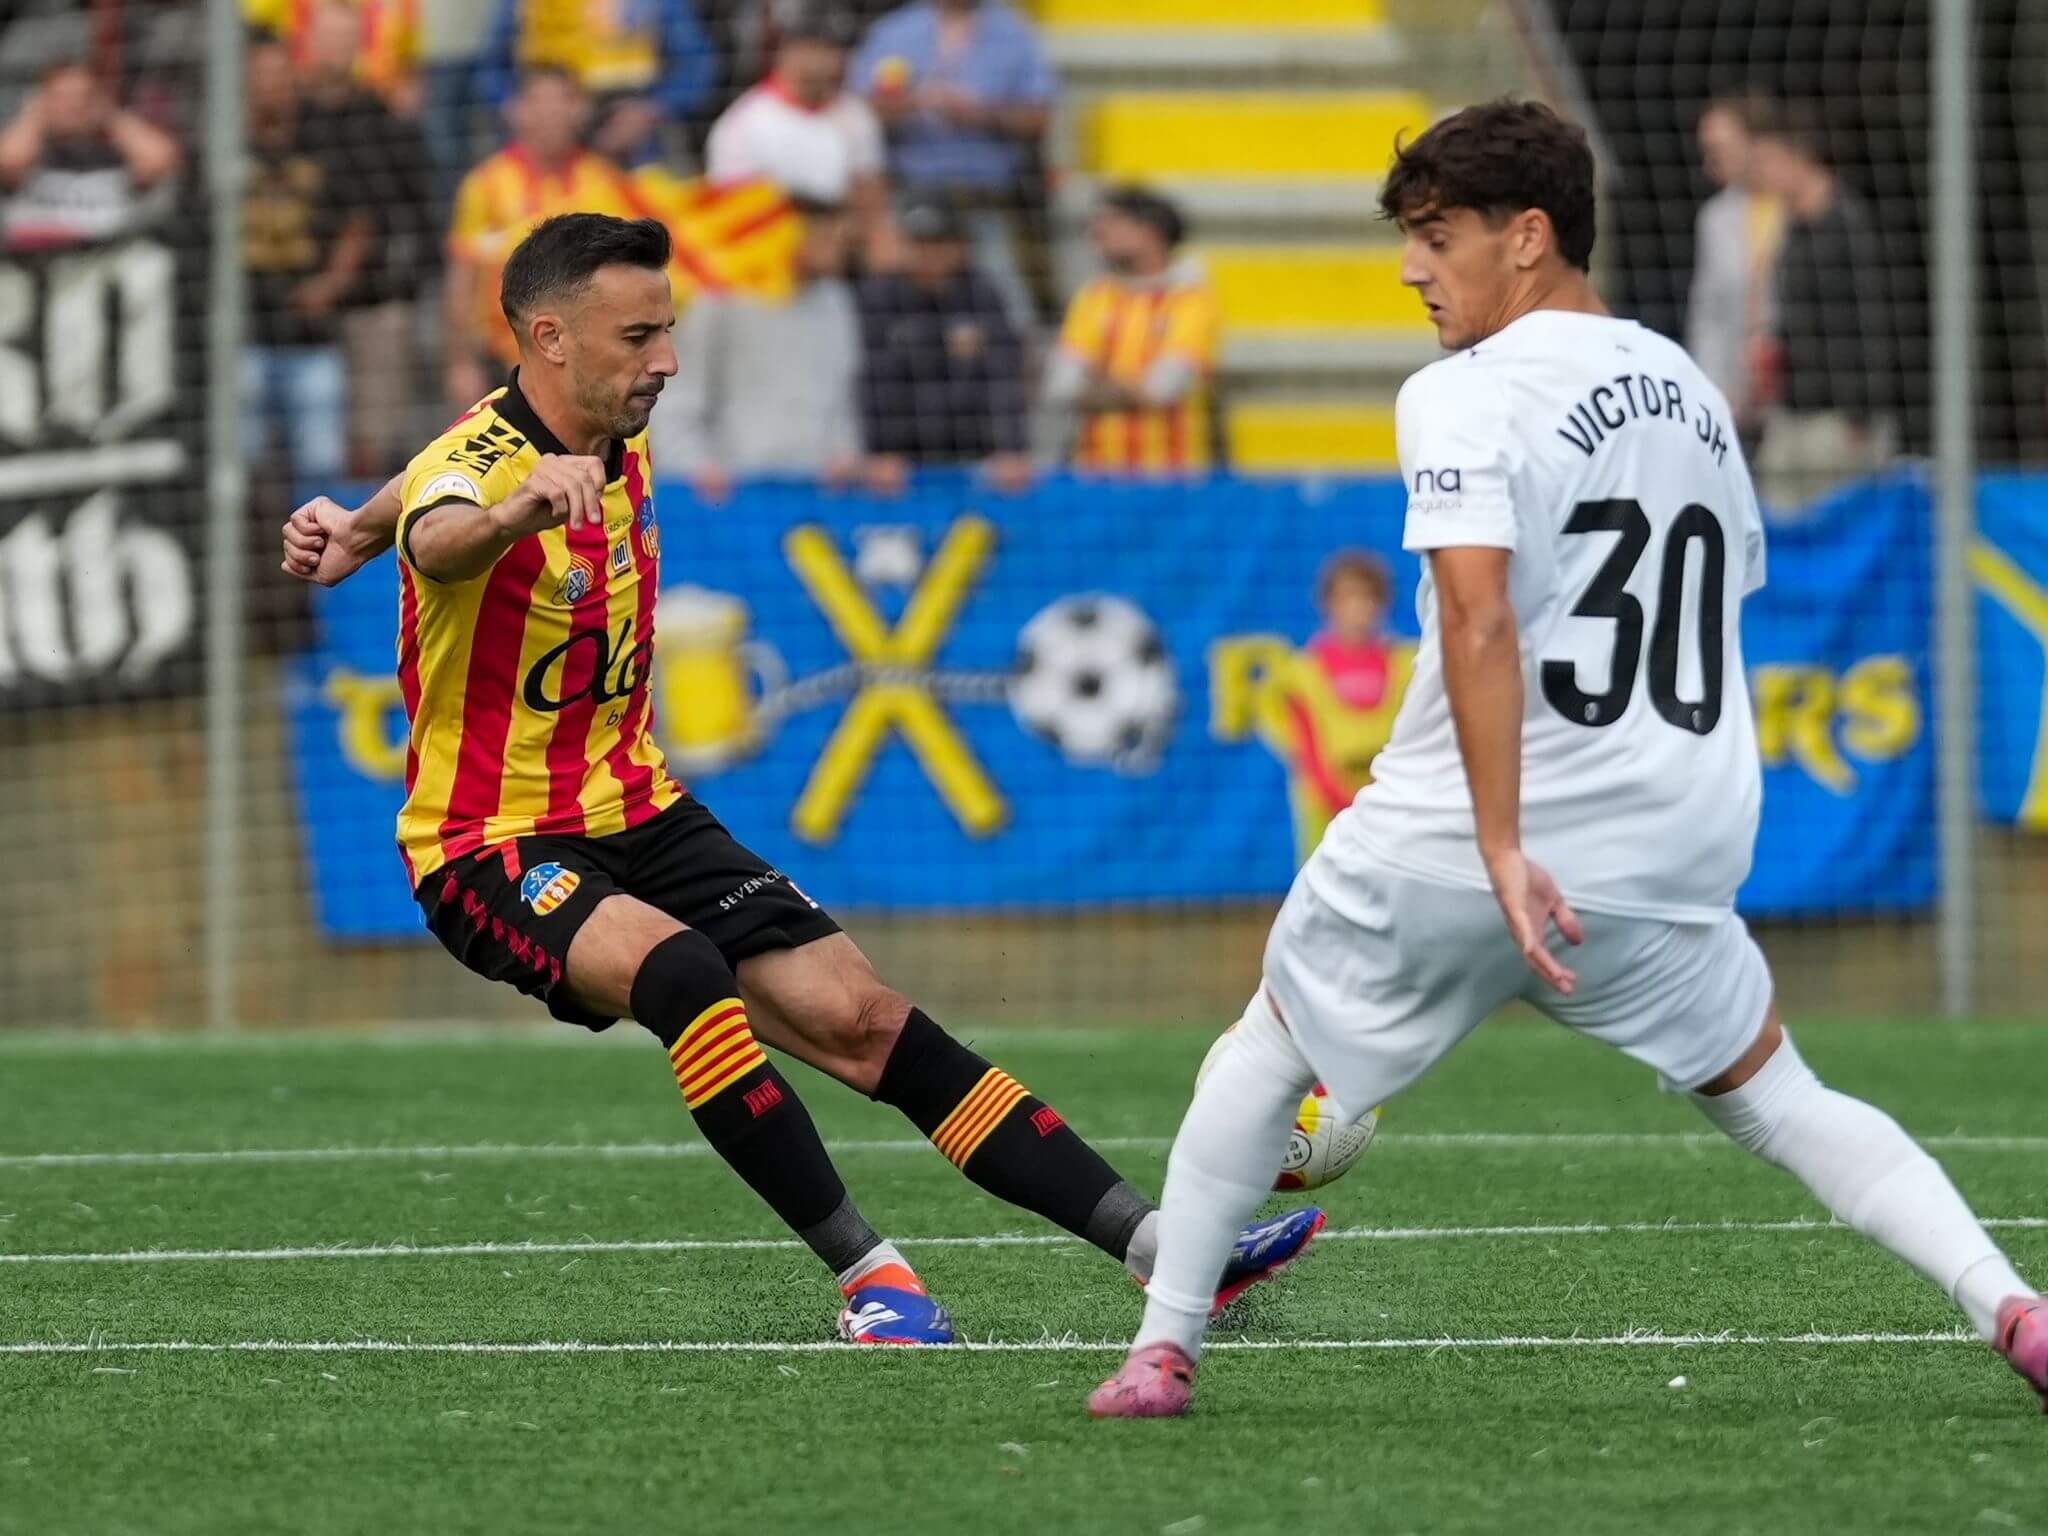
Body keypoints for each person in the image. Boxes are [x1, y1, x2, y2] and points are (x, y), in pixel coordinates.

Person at [1087, 99, 2046, 1419]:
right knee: (1781, 1094)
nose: (1412, 267)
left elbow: (1480, 614)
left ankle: (1163, 1348)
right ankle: (2011, 1302)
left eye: (1436, 236)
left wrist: (1500, 845)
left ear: (1527, 236)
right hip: (1669, 838)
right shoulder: (1695, 395)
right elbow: (1723, 604)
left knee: (1262, 1054)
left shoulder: (1461, 393)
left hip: (1471, 842)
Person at [278, 211, 1322, 1343]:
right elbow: (444, 527)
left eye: (667, 331)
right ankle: (874, 1280)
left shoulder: (606, 430)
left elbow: (409, 500)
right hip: (489, 843)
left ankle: (1162, 1251)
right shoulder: (491, 471)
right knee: (682, 973)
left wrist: (351, 525)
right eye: (639, 337)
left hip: (641, 809)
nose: (667, 359)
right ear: (550, 338)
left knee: (865, 1017)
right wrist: (503, 509)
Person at [443, 67, 641, 409]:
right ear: (517, 110)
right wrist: (461, 362)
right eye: (540, 102)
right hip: (502, 360)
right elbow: (463, 276)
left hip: (586, 366)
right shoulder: (486, 185)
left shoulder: (604, 182)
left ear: (579, 111)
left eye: (563, 102)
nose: (552, 114)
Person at [648, 199, 870, 502]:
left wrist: (847, 458)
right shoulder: (718, 297)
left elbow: (842, 402)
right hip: (735, 501)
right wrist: (696, 469)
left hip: (821, 499)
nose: (840, 238)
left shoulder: (836, 302)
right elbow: (677, 403)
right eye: (822, 225)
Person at [851, 0, 1056, 323]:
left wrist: (982, 113)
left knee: (1002, 307)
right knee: (901, 308)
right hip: (909, 196)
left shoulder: (1013, 31)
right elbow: (856, 109)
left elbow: (1041, 117)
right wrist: (913, 103)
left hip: (985, 201)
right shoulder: (894, 31)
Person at [297, 0, 433, 476]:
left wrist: (407, 280)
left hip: (375, 300)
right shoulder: (291, 116)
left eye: (343, 37)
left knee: (369, 444)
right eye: (325, 35)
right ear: (308, 41)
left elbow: (415, 203)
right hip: (297, 309)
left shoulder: (383, 118)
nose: (333, 47)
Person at [1746, 102, 1899, 508]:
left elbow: (1870, 319)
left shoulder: (1848, 226)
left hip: (1838, 421)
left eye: (1766, 160)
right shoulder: (1790, 228)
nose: (1758, 173)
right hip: (1791, 414)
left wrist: (1860, 414)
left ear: (1798, 156)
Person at [242, 35, 369, 482]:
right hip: (244, 335)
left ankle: (315, 552)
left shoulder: (324, 144)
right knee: (246, 466)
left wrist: (331, 285)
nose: (270, 87)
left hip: (312, 335)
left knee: (320, 465)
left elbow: (357, 223)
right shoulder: (227, 147)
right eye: (260, 76)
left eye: (279, 76)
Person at [857, 192, 1031, 494]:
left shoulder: (984, 295)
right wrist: (879, 451)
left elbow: (1003, 377)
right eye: (920, 243)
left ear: (961, 246)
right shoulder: (878, 298)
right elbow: (871, 380)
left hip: (975, 460)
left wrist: (1009, 448)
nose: (930, 254)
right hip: (897, 467)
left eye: (940, 243)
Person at [1044, 186, 1221, 479]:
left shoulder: (1192, 299)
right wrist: (1132, 390)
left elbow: (1163, 389)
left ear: (1151, 231)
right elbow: (1062, 386)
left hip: (1169, 478)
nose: (1097, 231)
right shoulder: (1094, 296)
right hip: (1095, 476)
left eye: (1112, 222)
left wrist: (1096, 382)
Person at [705, 4, 890, 262]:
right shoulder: (744, 120)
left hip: (841, 246)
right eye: (816, 49)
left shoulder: (855, 114)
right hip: (767, 251)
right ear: (787, 52)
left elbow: (870, 198)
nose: (826, 60)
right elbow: (733, 213)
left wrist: (846, 234)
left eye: (834, 50)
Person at [1267, 552, 1410, 861]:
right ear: (1327, 603)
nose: (1357, 609)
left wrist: (1392, 795)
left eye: (1367, 598)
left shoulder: (1405, 664)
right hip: (1326, 809)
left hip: (1391, 807)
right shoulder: (1305, 670)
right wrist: (1341, 799)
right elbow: (1305, 747)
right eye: (1347, 598)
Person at [473, 0, 716, 166]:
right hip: (544, 153)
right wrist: (517, 109)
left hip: (634, 144)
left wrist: (650, 111)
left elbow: (697, 64)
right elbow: (490, 67)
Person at [0, 57, 180, 253]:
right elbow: (8, 162)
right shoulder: (27, 150)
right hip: (36, 263)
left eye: (83, 97)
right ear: (40, 100)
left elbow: (160, 160)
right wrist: (33, 116)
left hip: (109, 258)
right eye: (62, 97)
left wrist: (110, 116)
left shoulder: (120, 150)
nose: (73, 106)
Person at [1686, 91, 1780, 438]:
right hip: (1737, 406)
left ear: (1757, 141)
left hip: (1801, 402)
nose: (1710, 163)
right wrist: (1710, 395)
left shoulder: (1800, 205)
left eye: (1719, 149)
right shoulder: (1715, 218)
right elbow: (1708, 313)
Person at [244, 0, 421, 116]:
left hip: (374, 102)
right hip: (301, 101)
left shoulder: (400, 6)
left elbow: (412, 62)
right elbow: (261, 38)